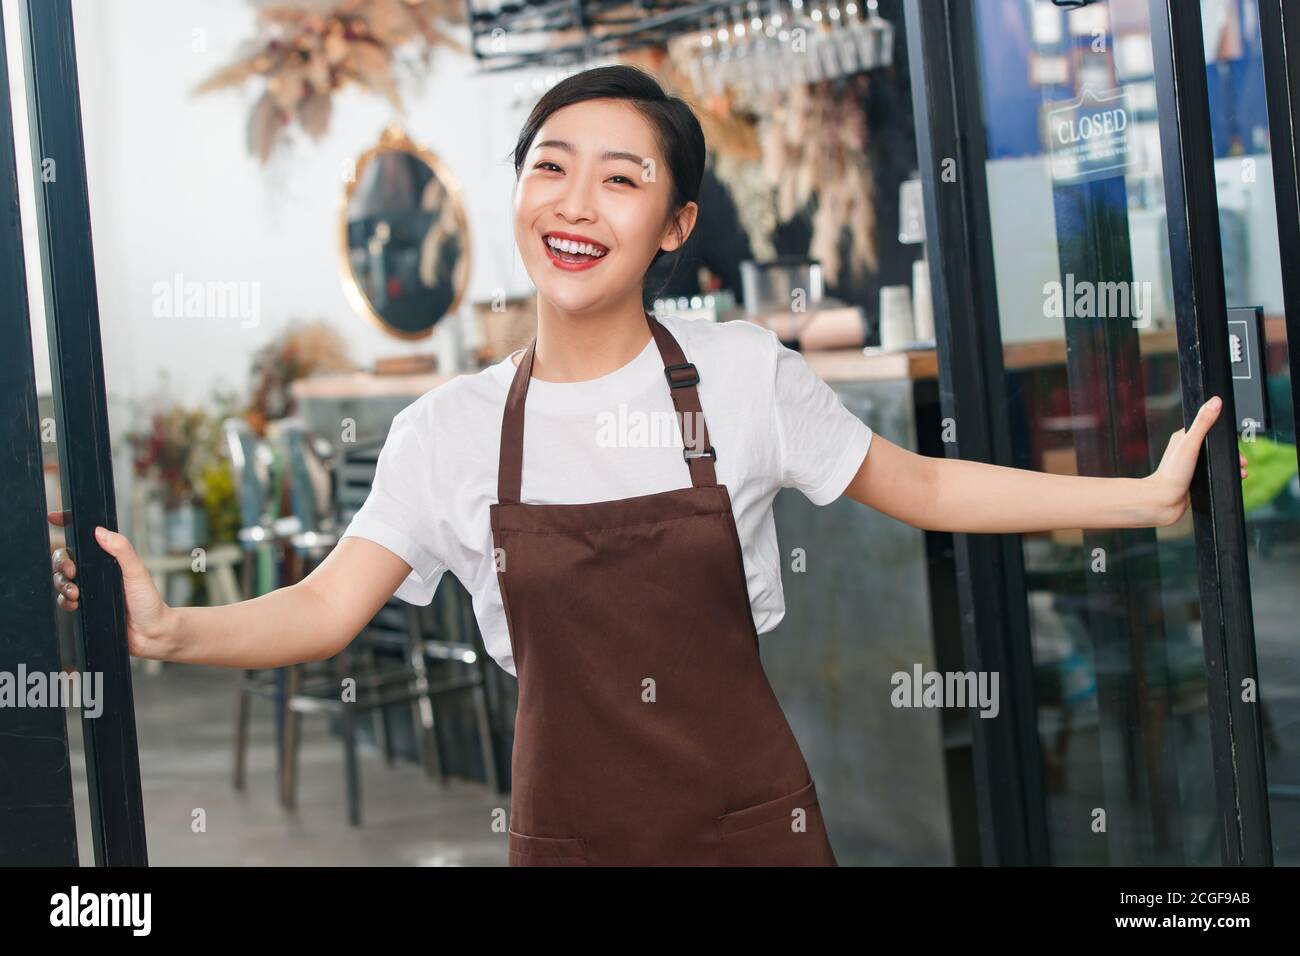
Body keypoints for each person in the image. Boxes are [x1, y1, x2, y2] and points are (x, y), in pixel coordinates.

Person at [51, 65, 1247, 867]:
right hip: (568, 841)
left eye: (621, 177)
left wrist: (1137, 497)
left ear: (674, 224)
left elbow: (924, 485)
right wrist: (172, 633)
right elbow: (324, 603)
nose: (575, 203)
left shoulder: (741, 376)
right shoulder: (451, 431)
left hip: (750, 831)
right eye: (550, 166)